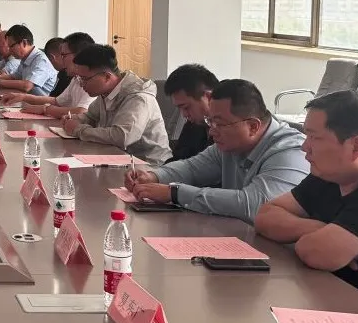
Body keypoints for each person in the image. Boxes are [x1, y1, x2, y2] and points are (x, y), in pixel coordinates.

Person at [255, 91, 358, 319]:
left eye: (314, 138)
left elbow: (315, 252)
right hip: (340, 304)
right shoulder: (332, 174)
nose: (304, 147)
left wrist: (311, 237)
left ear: (356, 147)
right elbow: (265, 216)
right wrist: (320, 228)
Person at [124, 79, 309, 223]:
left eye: (219, 124)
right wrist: (153, 176)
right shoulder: (230, 145)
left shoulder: (291, 152)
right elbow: (191, 168)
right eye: (210, 121)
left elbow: (254, 205)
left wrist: (175, 193)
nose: (212, 131)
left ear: (253, 126)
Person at [59, 44, 172, 164]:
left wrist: (78, 129)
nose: (81, 84)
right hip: (118, 158)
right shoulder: (106, 92)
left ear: (107, 77)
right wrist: (75, 119)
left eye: (84, 79)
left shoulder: (138, 98)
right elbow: (91, 116)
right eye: (79, 79)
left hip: (147, 165)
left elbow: (122, 137)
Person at [2, 32, 96, 118]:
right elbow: (56, 101)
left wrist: (45, 109)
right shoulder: (76, 78)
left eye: (64, 56)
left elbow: (82, 111)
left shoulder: (92, 78)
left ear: (79, 55)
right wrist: (23, 97)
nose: (61, 60)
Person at [0, 25, 56, 96]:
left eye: (11, 46)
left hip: (44, 106)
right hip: (29, 101)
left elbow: (27, 86)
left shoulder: (41, 61)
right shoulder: (25, 58)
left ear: (24, 43)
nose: (9, 50)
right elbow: (13, 77)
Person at [163, 64, 218, 162]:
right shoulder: (192, 126)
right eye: (179, 108)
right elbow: (177, 160)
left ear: (208, 97)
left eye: (186, 107)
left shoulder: (229, 131)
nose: (184, 114)